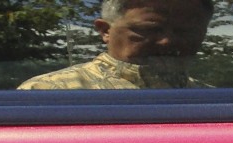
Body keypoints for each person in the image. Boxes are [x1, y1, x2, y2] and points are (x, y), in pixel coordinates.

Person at [17, 0, 214, 90]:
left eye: (186, 32)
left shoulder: (212, 99)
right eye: (149, 29)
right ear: (105, 30)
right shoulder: (50, 92)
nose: (167, 41)